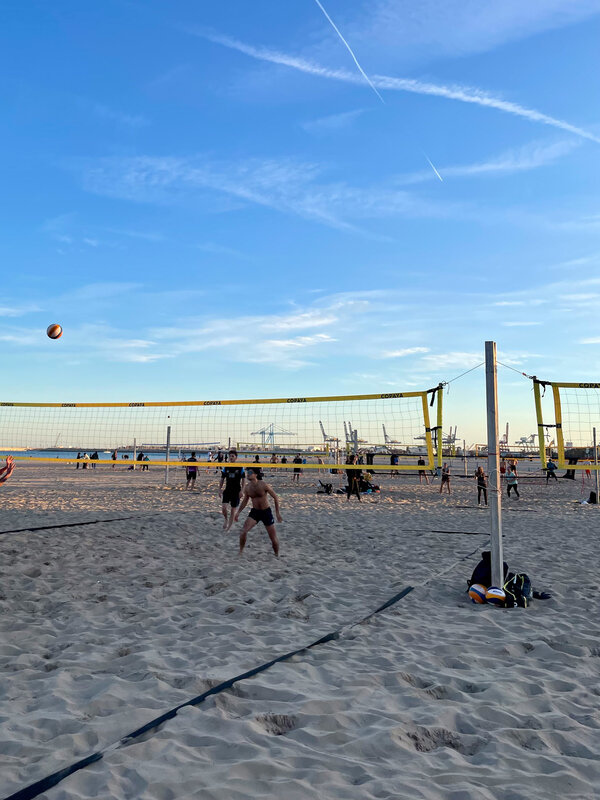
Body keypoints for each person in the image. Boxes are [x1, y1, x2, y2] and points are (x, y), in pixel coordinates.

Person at [235, 467, 282, 556]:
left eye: (250, 472)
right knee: (243, 531)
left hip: (266, 512)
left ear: (255, 474)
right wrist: (238, 512)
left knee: (273, 538)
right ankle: (240, 552)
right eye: (247, 472)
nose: (248, 474)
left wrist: (277, 513)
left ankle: (277, 555)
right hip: (255, 512)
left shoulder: (264, 485)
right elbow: (245, 500)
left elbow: (275, 497)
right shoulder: (247, 487)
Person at [220, 450, 245, 531]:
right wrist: (219, 489)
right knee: (224, 508)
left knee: (232, 510)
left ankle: (228, 528)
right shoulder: (226, 467)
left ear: (236, 458)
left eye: (233, 456)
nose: (231, 457)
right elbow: (222, 479)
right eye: (230, 456)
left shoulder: (240, 467)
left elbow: (244, 480)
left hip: (236, 491)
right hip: (227, 490)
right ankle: (226, 519)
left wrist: (242, 491)